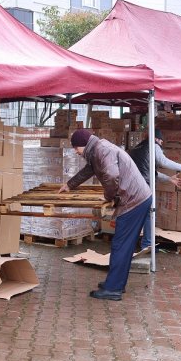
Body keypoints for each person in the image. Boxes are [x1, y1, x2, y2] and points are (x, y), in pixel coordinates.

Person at [60, 129, 152, 301]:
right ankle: (116, 283)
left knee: (120, 245)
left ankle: (113, 289)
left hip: (134, 201)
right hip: (137, 198)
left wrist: (109, 197)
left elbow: (111, 176)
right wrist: (70, 184)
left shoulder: (102, 150)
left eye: (76, 148)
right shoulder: (97, 150)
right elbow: (90, 169)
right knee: (123, 245)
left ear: (83, 145)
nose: (75, 151)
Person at [128, 129, 181, 250]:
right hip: (144, 186)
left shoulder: (137, 148)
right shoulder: (153, 146)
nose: (161, 145)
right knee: (149, 214)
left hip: (132, 185)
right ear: (157, 139)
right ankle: (147, 245)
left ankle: (132, 243)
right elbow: (163, 161)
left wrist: (169, 179)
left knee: (136, 214)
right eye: (161, 142)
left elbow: (148, 170)